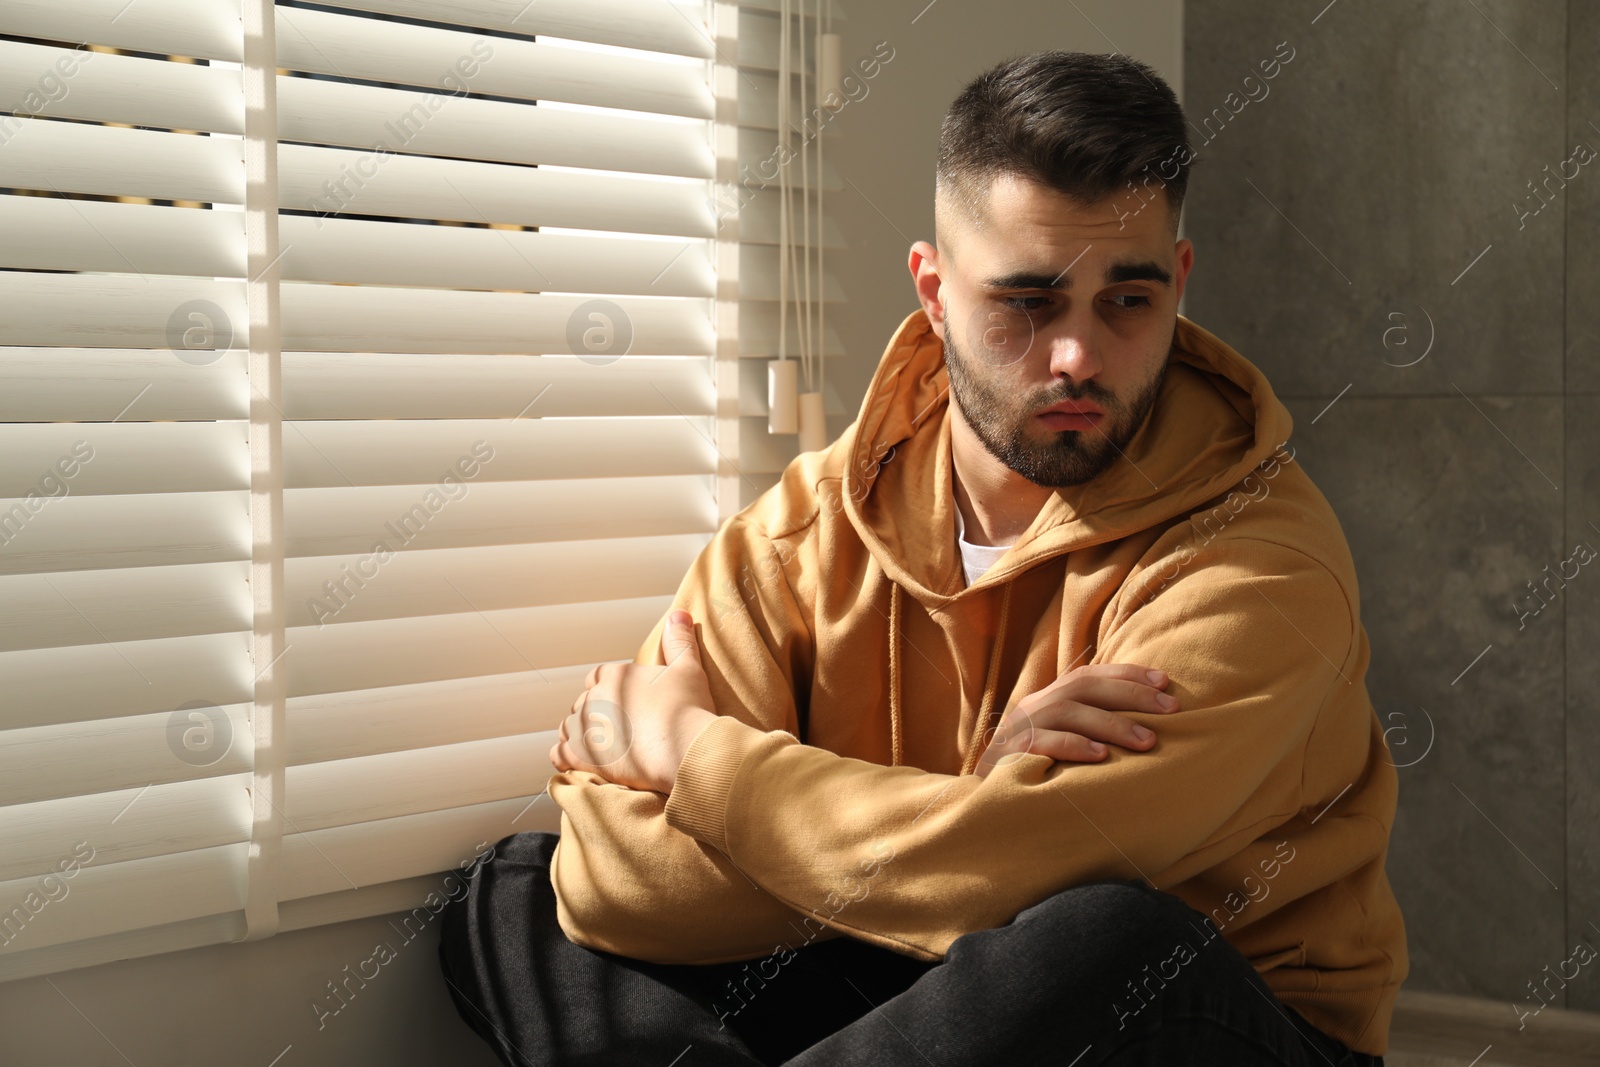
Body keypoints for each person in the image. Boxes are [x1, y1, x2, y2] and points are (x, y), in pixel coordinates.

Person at [439, 49, 1406, 1066]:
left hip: (1213, 1024)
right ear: (933, 290)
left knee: (1107, 933)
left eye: (1126, 300)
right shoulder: (802, 534)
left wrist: (690, 751)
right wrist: (967, 806)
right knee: (514, 889)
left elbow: (1022, 876)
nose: (1076, 355)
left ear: (1179, 280)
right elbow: (612, 877)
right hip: (935, 992)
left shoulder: (1257, 559)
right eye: (1027, 302)